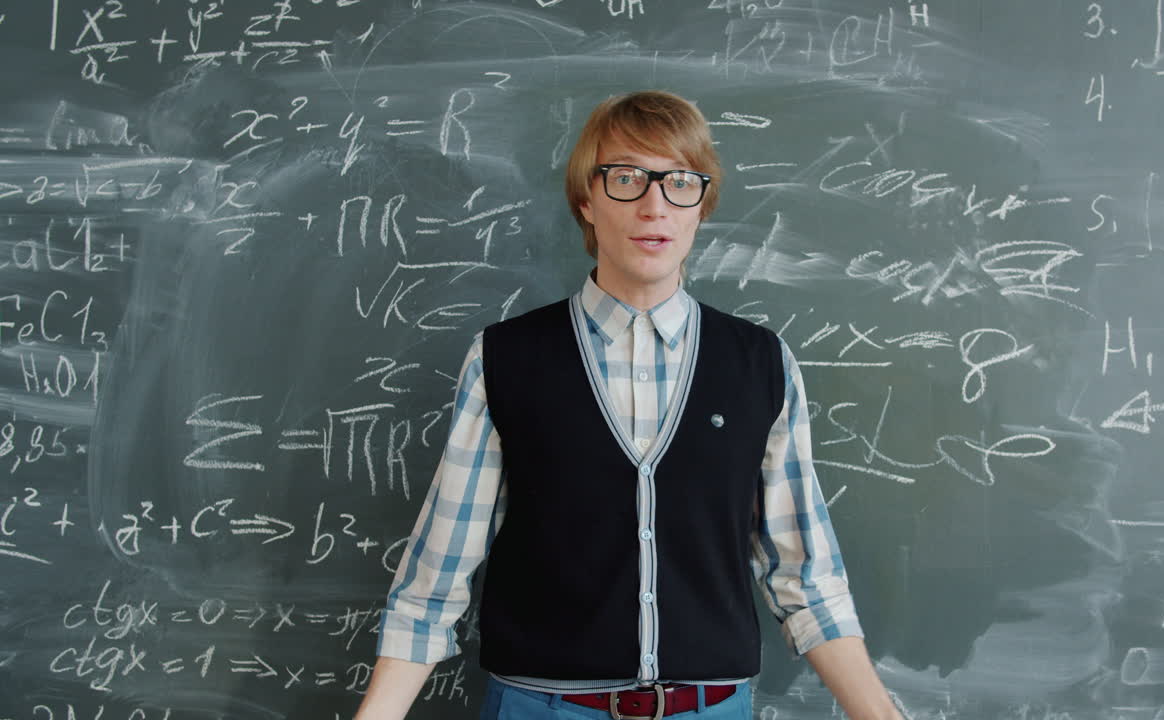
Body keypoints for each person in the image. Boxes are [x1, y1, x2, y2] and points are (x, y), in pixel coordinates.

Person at [353, 90, 903, 720]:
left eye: (679, 183)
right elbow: (435, 579)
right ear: (586, 201)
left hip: (711, 710)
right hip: (543, 707)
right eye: (626, 179)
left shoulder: (759, 365)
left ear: (703, 206)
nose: (653, 205)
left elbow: (806, 578)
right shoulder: (506, 360)